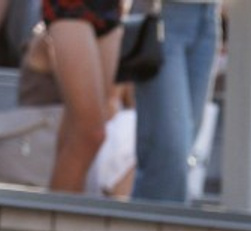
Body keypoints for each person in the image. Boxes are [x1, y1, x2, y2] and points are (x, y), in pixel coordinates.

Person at [130, 0, 220, 202]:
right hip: (161, 13)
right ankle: (149, 230)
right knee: (170, 151)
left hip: (208, 15)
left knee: (181, 148)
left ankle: (156, 227)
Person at [41, 0, 123, 191]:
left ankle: (58, 211)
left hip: (110, 10)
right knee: (91, 133)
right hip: (69, 7)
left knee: (76, 130)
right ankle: (58, 217)